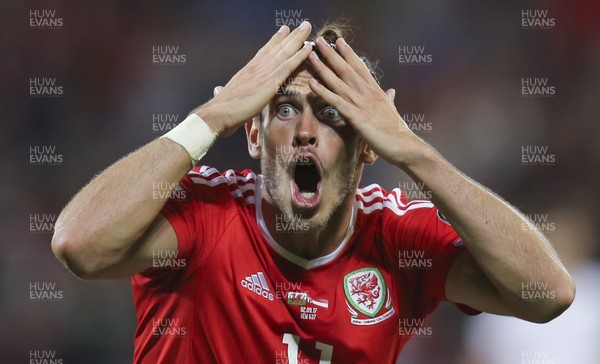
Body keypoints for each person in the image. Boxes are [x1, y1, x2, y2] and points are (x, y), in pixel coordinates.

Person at [51, 21, 575, 363]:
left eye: (331, 115)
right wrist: (207, 120)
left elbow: (548, 296)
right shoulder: (202, 212)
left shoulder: (397, 237)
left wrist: (413, 151)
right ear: (253, 135)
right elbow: (80, 245)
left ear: (367, 143)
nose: (305, 131)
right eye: (284, 109)